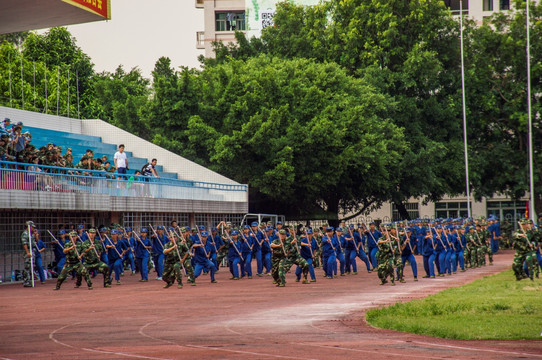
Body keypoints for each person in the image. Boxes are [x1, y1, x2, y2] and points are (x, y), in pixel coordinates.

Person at [20, 221, 37, 287]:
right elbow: (25, 244)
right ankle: (26, 281)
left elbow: (35, 242)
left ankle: (30, 280)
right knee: (28, 266)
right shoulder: (25, 234)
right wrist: (27, 252)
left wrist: (36, 235)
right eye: (32, 227)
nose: (33, 228)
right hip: (28, 251)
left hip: (33, 250)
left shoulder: (31, 234)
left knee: (32, 266)